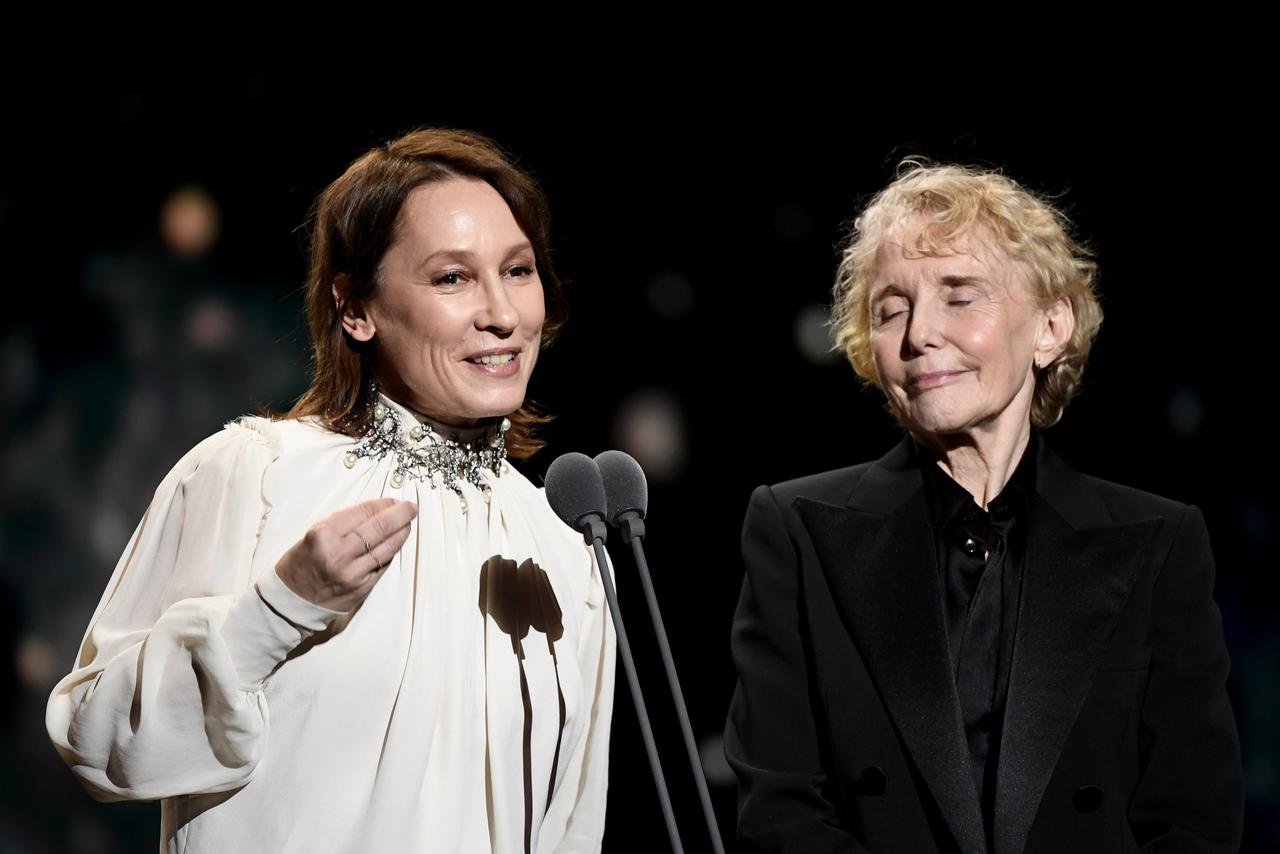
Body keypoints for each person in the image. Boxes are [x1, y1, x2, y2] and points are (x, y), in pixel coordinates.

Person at [46, 128, 615, 853]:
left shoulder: (562, 547)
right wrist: (277, 610)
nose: (503, 314)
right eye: (452, 278)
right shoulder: (253, 476)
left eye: (519, 270)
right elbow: (95, 739)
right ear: (356, 308)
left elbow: (572, 823)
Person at [724, 161, 1244, 853]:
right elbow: (780, 813)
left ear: (1050, 326)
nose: (919, 335)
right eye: (891, 309)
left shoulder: (1160, 541)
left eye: (960, 296)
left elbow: (1193, 820)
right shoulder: (796, 531)